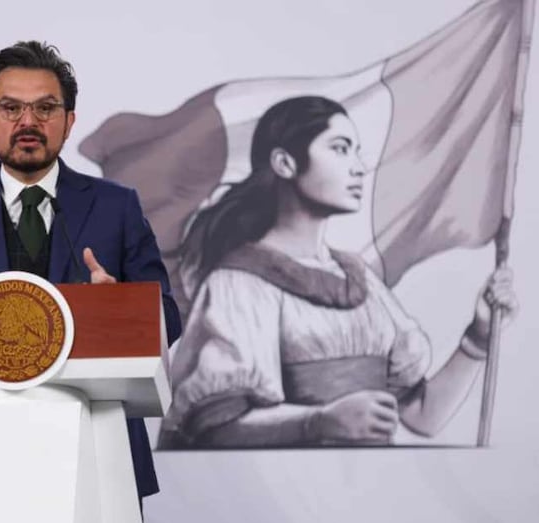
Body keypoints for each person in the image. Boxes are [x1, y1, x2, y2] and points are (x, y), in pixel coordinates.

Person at [0, 41, 181, 503]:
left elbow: (168, 317)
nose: (28, 123)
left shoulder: (117, 207)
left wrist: (122, 308)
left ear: (69, 121)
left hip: (97, 448)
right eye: (10, 108)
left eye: (46, 108)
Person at [156, 96, 517, 449]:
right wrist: (319, 421)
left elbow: (423, 416)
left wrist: (479, 337)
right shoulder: (238, 283)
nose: (359, 166)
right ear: (285, 163)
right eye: (341, 148)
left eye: (356, 150)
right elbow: (214, 428)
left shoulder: (359, 280)